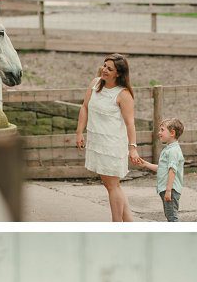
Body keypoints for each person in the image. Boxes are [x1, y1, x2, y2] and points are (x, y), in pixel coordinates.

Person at [75, 53, 143, 222]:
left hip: (112, 146)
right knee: (111, 185)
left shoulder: (123, 94)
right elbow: (84, 107)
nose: (104, 70)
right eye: (104, 66)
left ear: (118, 73)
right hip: (97, 142)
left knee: (113, 186)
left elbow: (130, 123)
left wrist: (133, 148)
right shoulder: (95, 83)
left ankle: (116, 224)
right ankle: (129, 223)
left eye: (109, 68)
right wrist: (79, 132)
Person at [134, 118, 187, 221]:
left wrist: (168, 191)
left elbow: (172, 170)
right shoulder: (169, 149)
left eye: (162, 130)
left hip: (170, 189)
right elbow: (163, 169)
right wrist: (146, 164)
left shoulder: (173, 151)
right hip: (167, 189)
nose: (159, 133)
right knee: (169, 215)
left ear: (172, 133)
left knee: (172, 217)